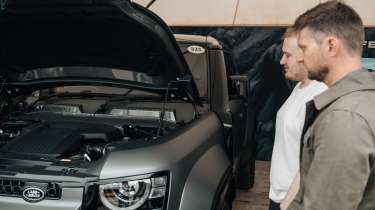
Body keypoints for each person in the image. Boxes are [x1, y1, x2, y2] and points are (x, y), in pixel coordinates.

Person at [288, 1, 375, 209]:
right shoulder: (363, 99)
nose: (300, 57)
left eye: (304, 48)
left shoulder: (344, 117)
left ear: (331, 46)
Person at [269, 28, 327, 210]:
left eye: (287, 55)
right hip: (280, 195)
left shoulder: (319, 95)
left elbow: (315, 159)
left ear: (305, 55)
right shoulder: (300, 87)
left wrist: (287, 203)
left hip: (293, 201)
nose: (281, 61)